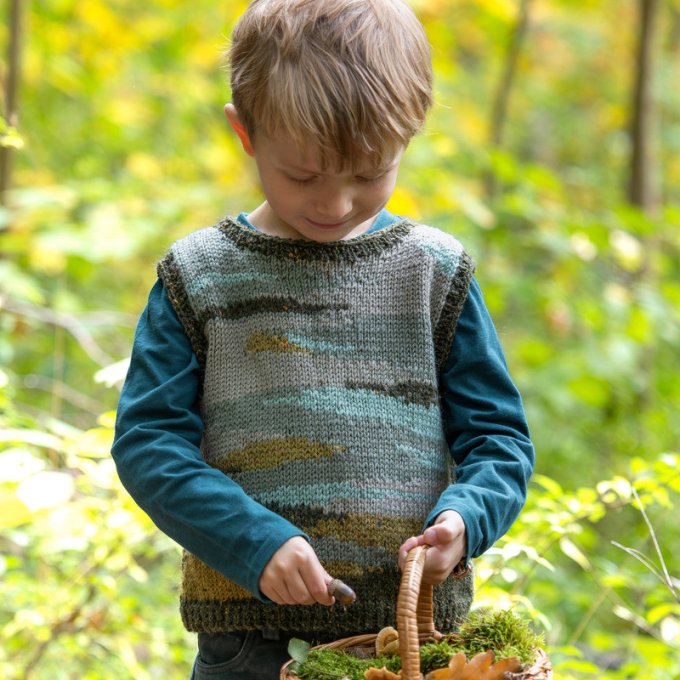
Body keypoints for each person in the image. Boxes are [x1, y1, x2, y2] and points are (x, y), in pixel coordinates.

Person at [111, 0, 535, 678]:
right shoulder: (199, 277)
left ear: (410, 136)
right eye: (302, 176)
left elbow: (499, 439)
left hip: (414, 641)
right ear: (245, 133)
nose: (334, 205)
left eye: (368, 175)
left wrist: (465, 519)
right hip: (251, 644)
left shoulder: (435, 272)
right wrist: (253, 541)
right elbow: (148, 442)